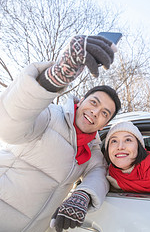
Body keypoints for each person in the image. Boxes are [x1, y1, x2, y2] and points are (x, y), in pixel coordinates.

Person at [0, 35, 121, 232]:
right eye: (94, 102)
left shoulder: (93, 151)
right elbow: (8, 124)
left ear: (104, 124)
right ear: (81, 100)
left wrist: (83, 195)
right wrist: (53, 78)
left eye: (104, 113)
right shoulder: (50, 117)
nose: (95, 112)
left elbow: (99, 176)